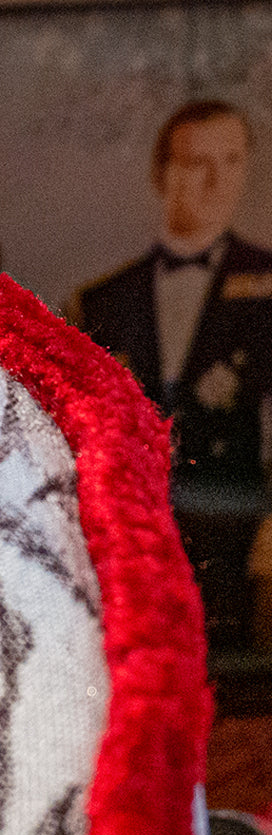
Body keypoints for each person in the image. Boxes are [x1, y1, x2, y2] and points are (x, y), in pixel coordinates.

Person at [72, 100, 272, 652]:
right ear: (162, 175)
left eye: (231, 161)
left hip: (241, 524)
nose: (216, 181)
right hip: (130, 530)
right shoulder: (103, 300)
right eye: (196, 163)